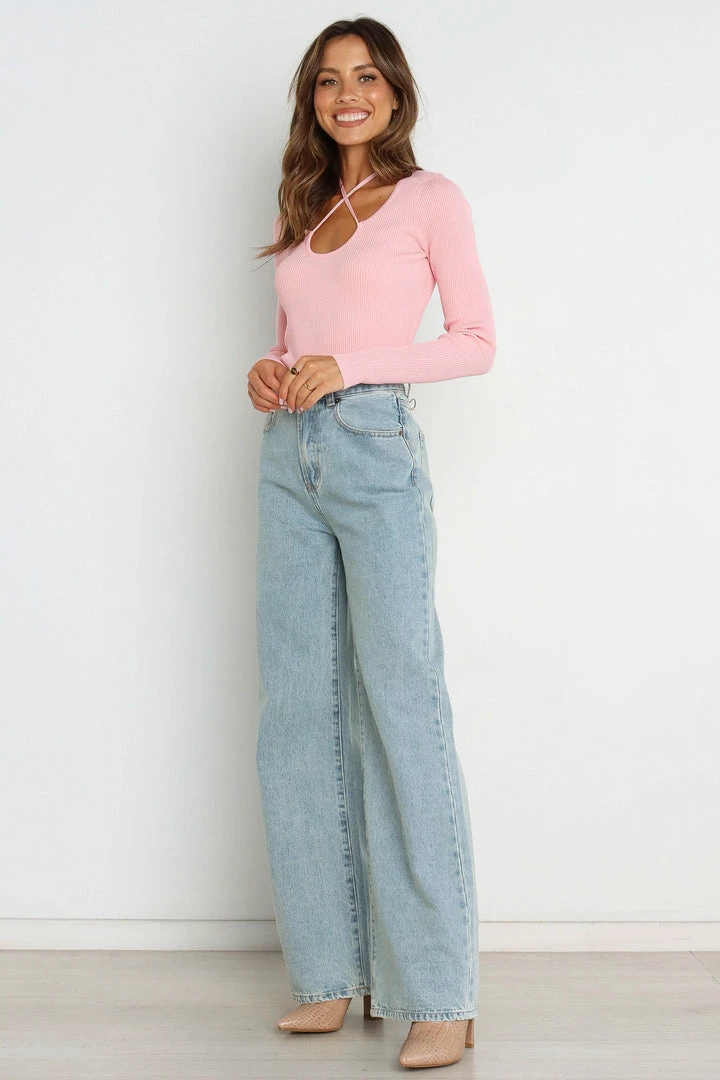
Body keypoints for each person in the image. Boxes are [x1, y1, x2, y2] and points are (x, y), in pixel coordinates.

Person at [247, 16, 496, 1071]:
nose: (346, 94)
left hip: (374, 449)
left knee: (401, 704)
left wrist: (347, 368)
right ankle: (329, 973)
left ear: (394, 91)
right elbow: (294, 341)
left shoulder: (431, 199)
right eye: (327, 81)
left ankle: (439, 994)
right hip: (287, 457)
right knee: (297, 713)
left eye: (364, 76)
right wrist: (270, 371)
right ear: (313, 100)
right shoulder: (305, 207)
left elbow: (475, 343)